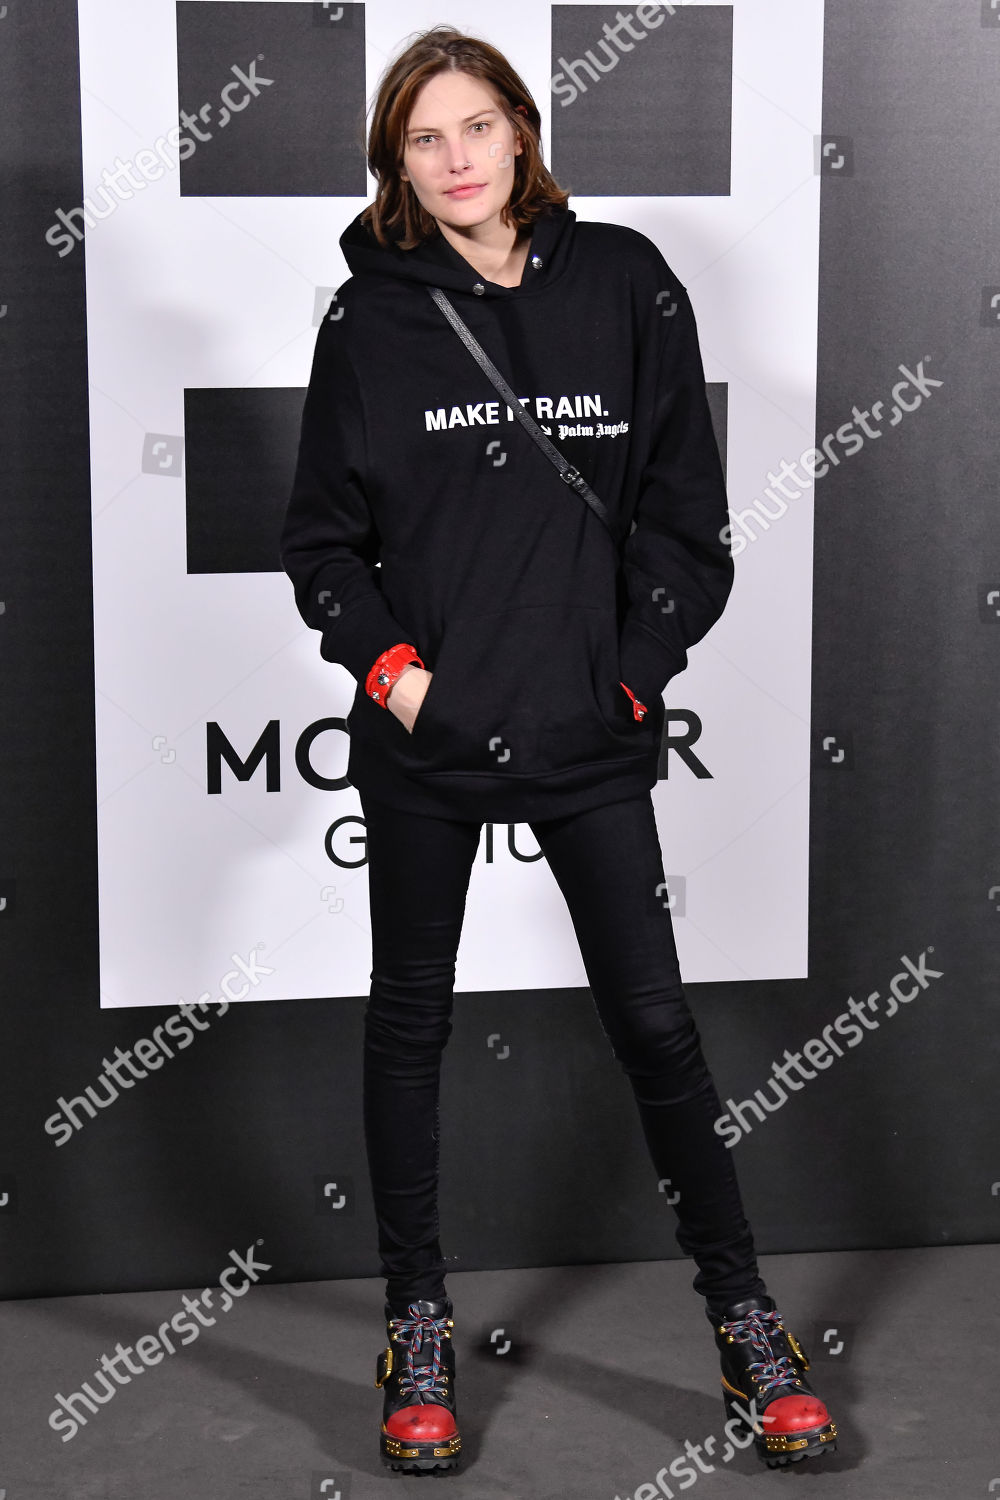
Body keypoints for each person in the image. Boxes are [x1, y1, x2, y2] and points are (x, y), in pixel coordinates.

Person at [280, 24, 837, 1477]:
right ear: (397, 166)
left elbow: (688, 525)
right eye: (424, 139)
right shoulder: (368, 322)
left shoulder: (629, 284)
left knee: (655, 1025)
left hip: (590, 733)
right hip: (429, 745)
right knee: (410, 1022)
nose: (456, 158)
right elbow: (322, 548)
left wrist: (632, 677)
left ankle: (746, 1321)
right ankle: (415, 1326)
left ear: (522, 131)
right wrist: (402, 684)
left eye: (476, 126)